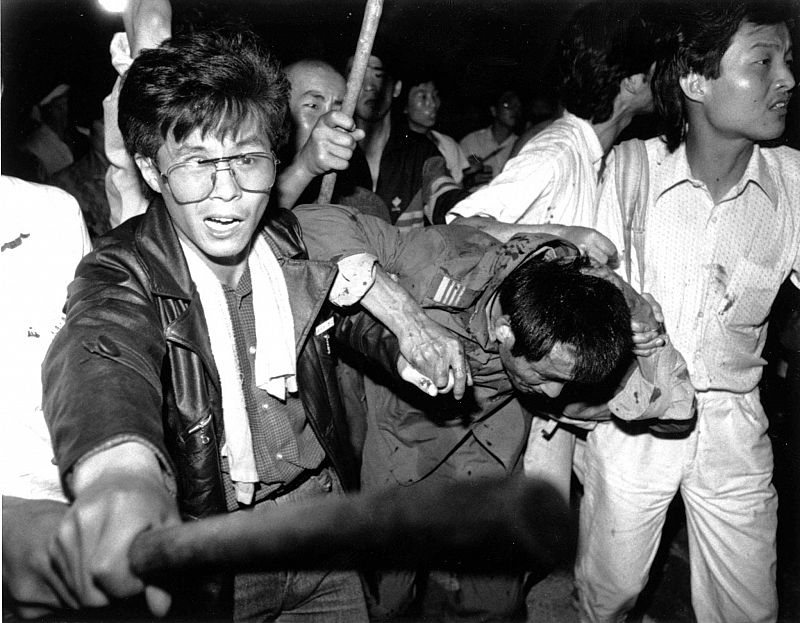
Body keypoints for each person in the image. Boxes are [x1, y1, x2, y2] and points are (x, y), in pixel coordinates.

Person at [33, 27, 466, 622]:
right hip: (221, 556)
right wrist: (121, 475)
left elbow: (329, 319)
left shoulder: (282, 240)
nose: (230, 192)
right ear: (152, 171)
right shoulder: (121, 268)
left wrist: (402, 352)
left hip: (321, 532)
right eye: (198, 164)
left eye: (247, 159)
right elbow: (101, 354)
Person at [294, 203, 692, 621]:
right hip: (404, 444)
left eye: (565, 380)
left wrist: (652, 343)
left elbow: (678, 410)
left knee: (496, 603)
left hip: (492, 452)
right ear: (505, 331)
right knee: (386, 597)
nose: (554, 394)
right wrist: (410, 322)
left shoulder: (590, 299)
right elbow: (311, 221)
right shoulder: (447, 259)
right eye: (543, 375)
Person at [575, 2, 799, 621]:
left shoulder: (793, 183)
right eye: (763, 60)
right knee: (609, 594)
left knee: (748, 608)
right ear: (697, 81)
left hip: (733, 421)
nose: (787, 78)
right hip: (631, 419)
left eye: (787, 61)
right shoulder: (628, 171)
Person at [442, 0, 675, 503]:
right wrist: (561, 231)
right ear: (631, 79)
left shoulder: (592, 154)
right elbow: (462, 224)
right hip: (512, 384)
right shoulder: (557, 152)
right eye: (658, 67)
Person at [277, 58, 389, 221]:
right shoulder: (251, 168)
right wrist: (303, 168)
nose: (329, 119)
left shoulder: (357, 193)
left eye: (339, 109)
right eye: (313, 106)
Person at [349, 49, 441, 228]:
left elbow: (445, 195)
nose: (369, 86)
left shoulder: (421, 151)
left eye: (378, 75)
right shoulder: (330, 155)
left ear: (396, 88)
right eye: (357, 75)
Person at [458, 88, 522, 184]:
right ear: (494, 111)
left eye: (518, 106)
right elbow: (456, 178)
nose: (514, 110)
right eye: (507, 104)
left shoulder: (521, 145)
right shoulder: (471, 141)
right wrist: (470, 180)